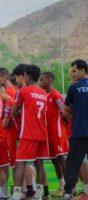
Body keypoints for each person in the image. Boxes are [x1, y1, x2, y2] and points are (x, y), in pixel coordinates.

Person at [11, 65, 49, 200]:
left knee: (20, 162)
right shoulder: (43, 92)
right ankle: (39, 193)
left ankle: (16, 194)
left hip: (28, 133)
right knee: (39, 163)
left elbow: (14, 112)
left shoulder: (23, 91)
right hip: (42, 133)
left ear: (27, 76)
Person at [39, 72, 68, 197]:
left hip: (57, 133)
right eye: (40, 79)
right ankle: (61, 186)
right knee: (54, 160)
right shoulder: (43, 95)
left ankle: (69, 187)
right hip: (48, 134)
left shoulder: (56, 95)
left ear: (50, 80)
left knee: (61, 159)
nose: (40, 81)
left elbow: (64, 113)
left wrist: (62, 128)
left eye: (43, 79)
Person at [63, 59, 88, 200]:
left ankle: (68, 193)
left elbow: (66, 111)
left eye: (74, 71)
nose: (71, 74)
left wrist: (72, 112)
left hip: (79, 133)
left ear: (83, 71)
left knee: (72, 164)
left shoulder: (74, 87)